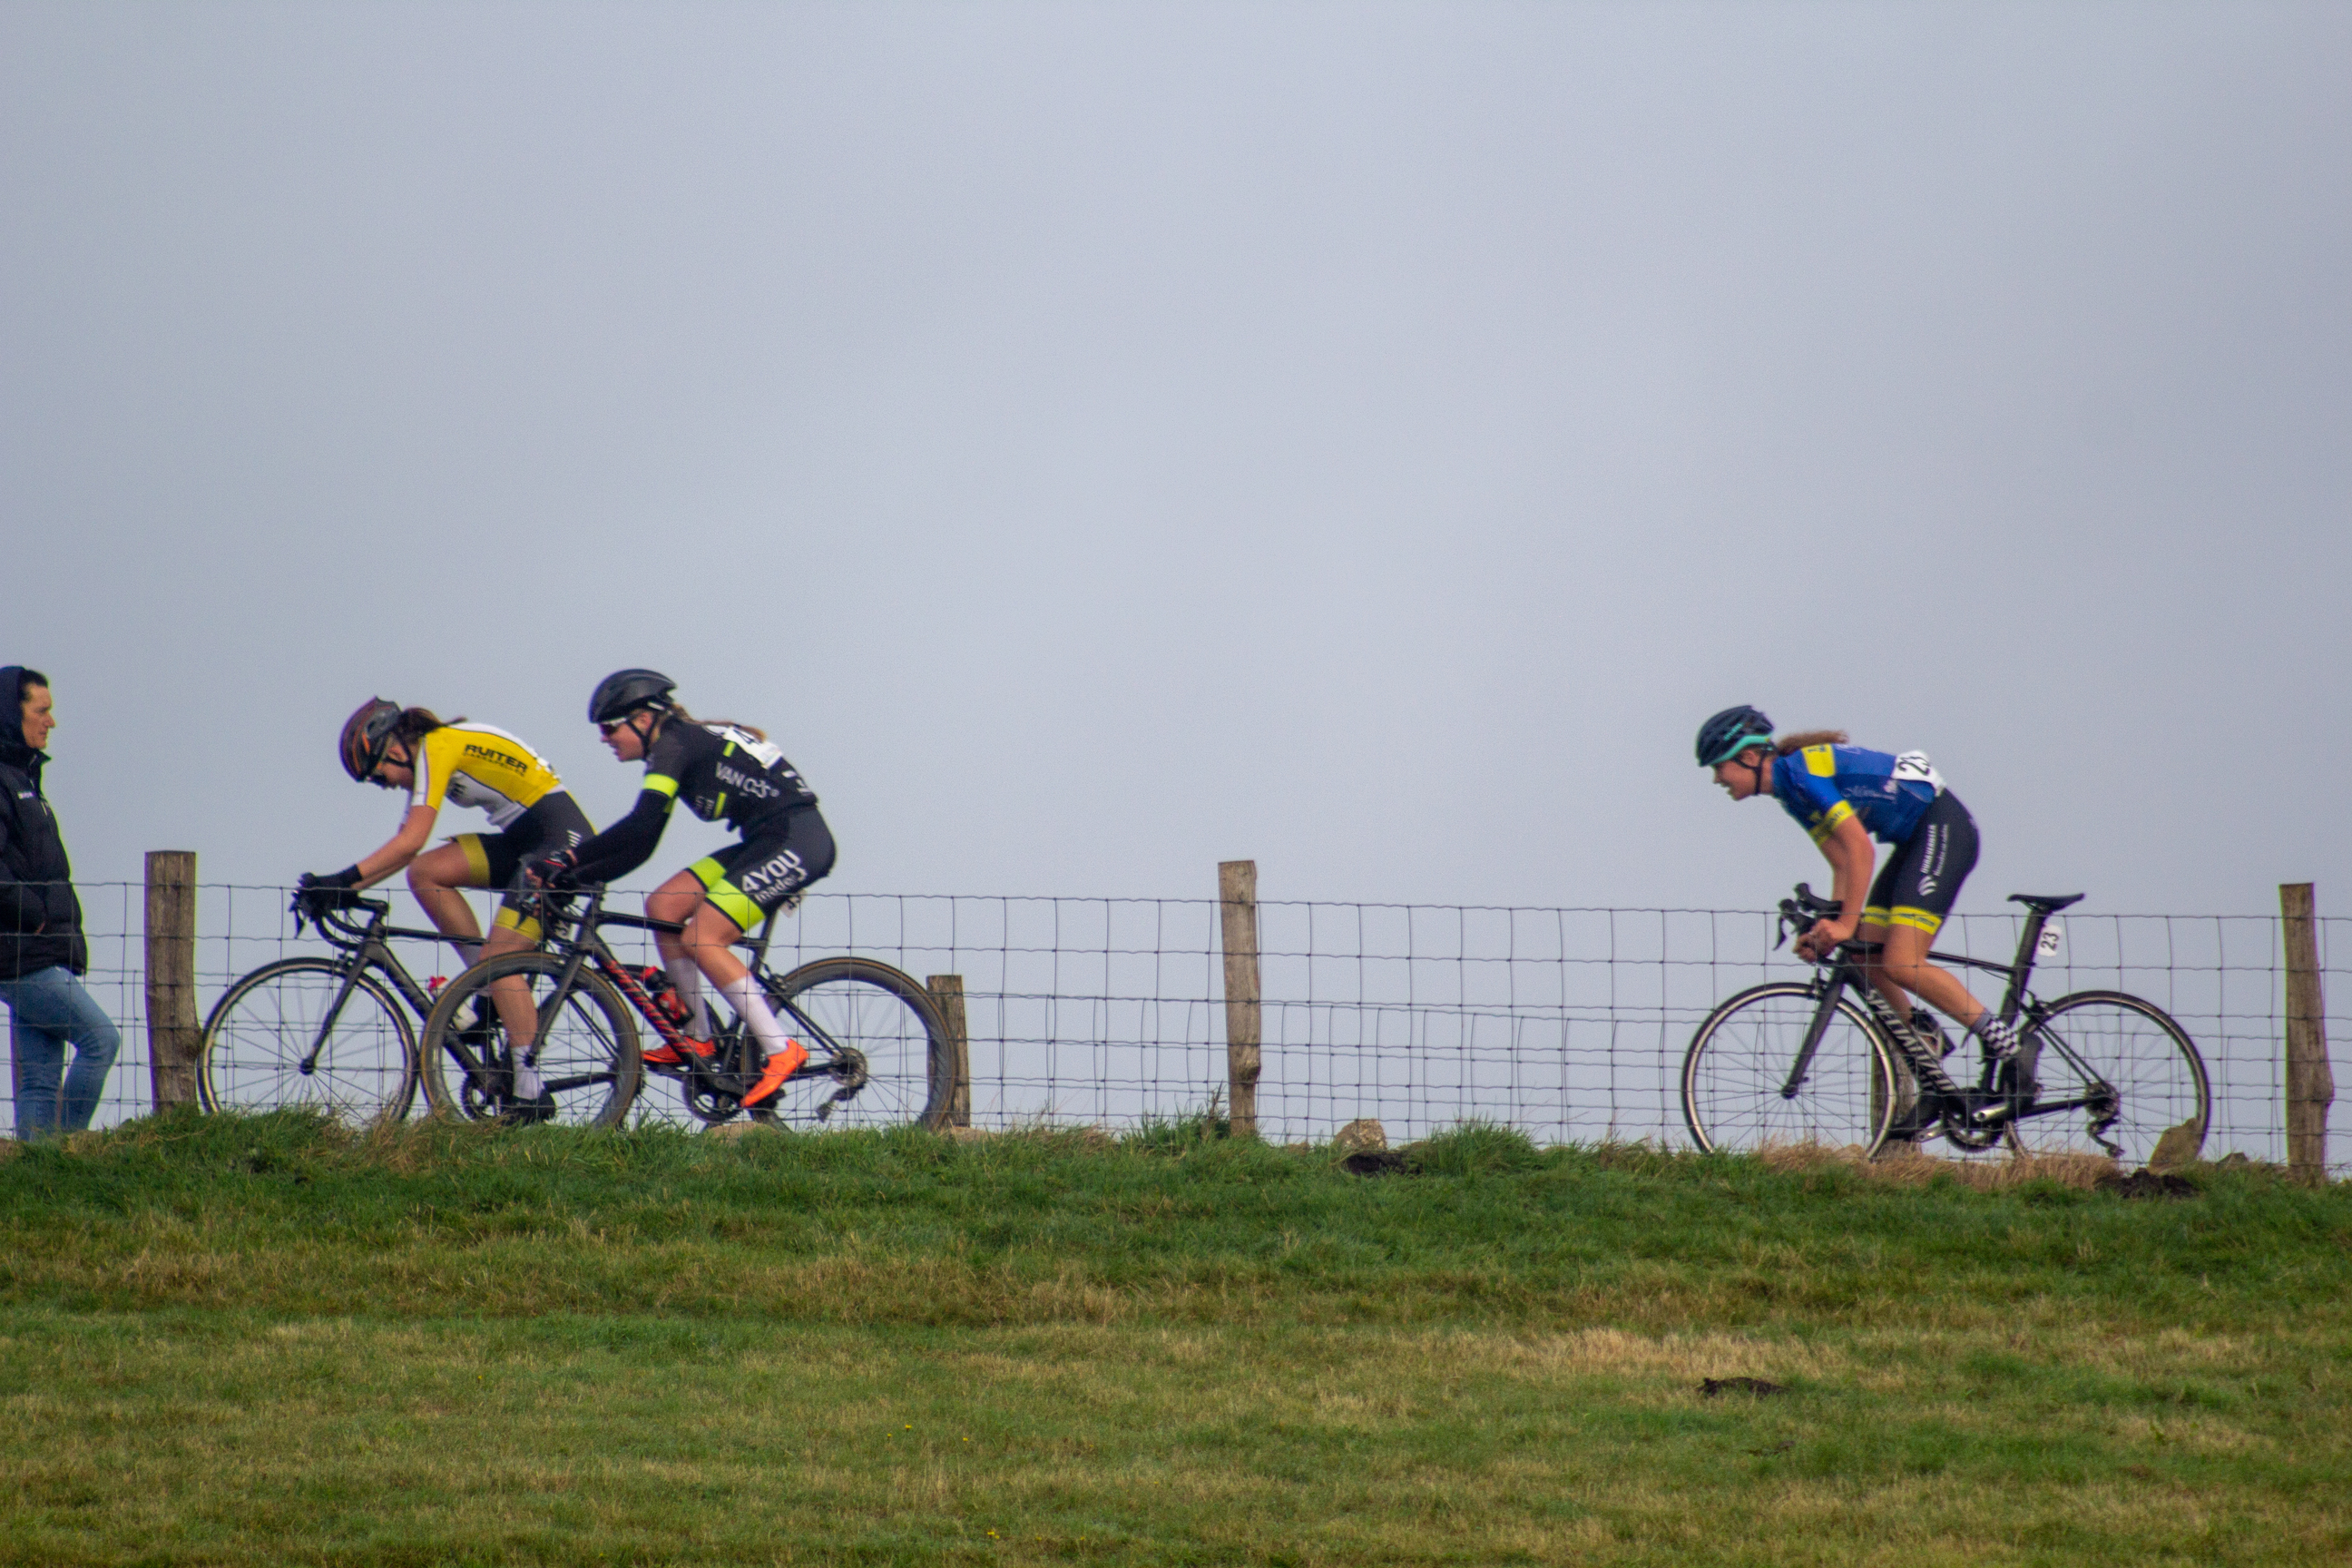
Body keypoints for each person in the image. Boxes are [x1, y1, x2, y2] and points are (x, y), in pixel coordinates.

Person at [1696, 705, 2026, 1110]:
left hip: (1941, 828)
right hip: (1913, 842)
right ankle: (1925, 1045)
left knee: (1902, 961)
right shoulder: (1788, 792)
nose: (1716, 779)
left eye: (1718, 767)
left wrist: (1845, 922)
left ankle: (2007, 1043)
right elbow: (1840, 862)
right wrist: (1829, 928)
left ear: (1747, 757)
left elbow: (1859, 849)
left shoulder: (1801, 772)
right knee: (1863, 956)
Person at [530, 670, 834, 1111]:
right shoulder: (674, 742)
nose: (603, 739)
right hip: (766, 839)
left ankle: (781, 1048)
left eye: (609, 728)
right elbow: (645, 843)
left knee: (701, 937)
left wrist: (570, 860)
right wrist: (576, 877)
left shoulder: (674, 744)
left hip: (797, 839)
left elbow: (641, 824)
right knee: (664, 906)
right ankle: (698, 1039)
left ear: (643, 717)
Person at [304, 701, 595, 1106]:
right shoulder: (429, 754)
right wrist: (343, 891)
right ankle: (485, 984)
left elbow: (410, 840)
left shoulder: (436, 748)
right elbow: (408, 854)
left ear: (394, 748)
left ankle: (530, 1094)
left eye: (378, 775)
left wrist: (341, 880)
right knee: (426, 873)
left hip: (559, 844)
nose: (385, 785)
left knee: (502, 960)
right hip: (524, 842)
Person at [0, 667, 122, 1138]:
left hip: (38, 951)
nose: (51, 722)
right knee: (101, 1039)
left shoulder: (24, 780)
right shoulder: (5, 782)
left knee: (40, 1079)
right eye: (41, 710)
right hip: (26, 954)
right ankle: (68, 1147)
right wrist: (35, 917)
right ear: (13, 714)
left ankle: (38, 1173)